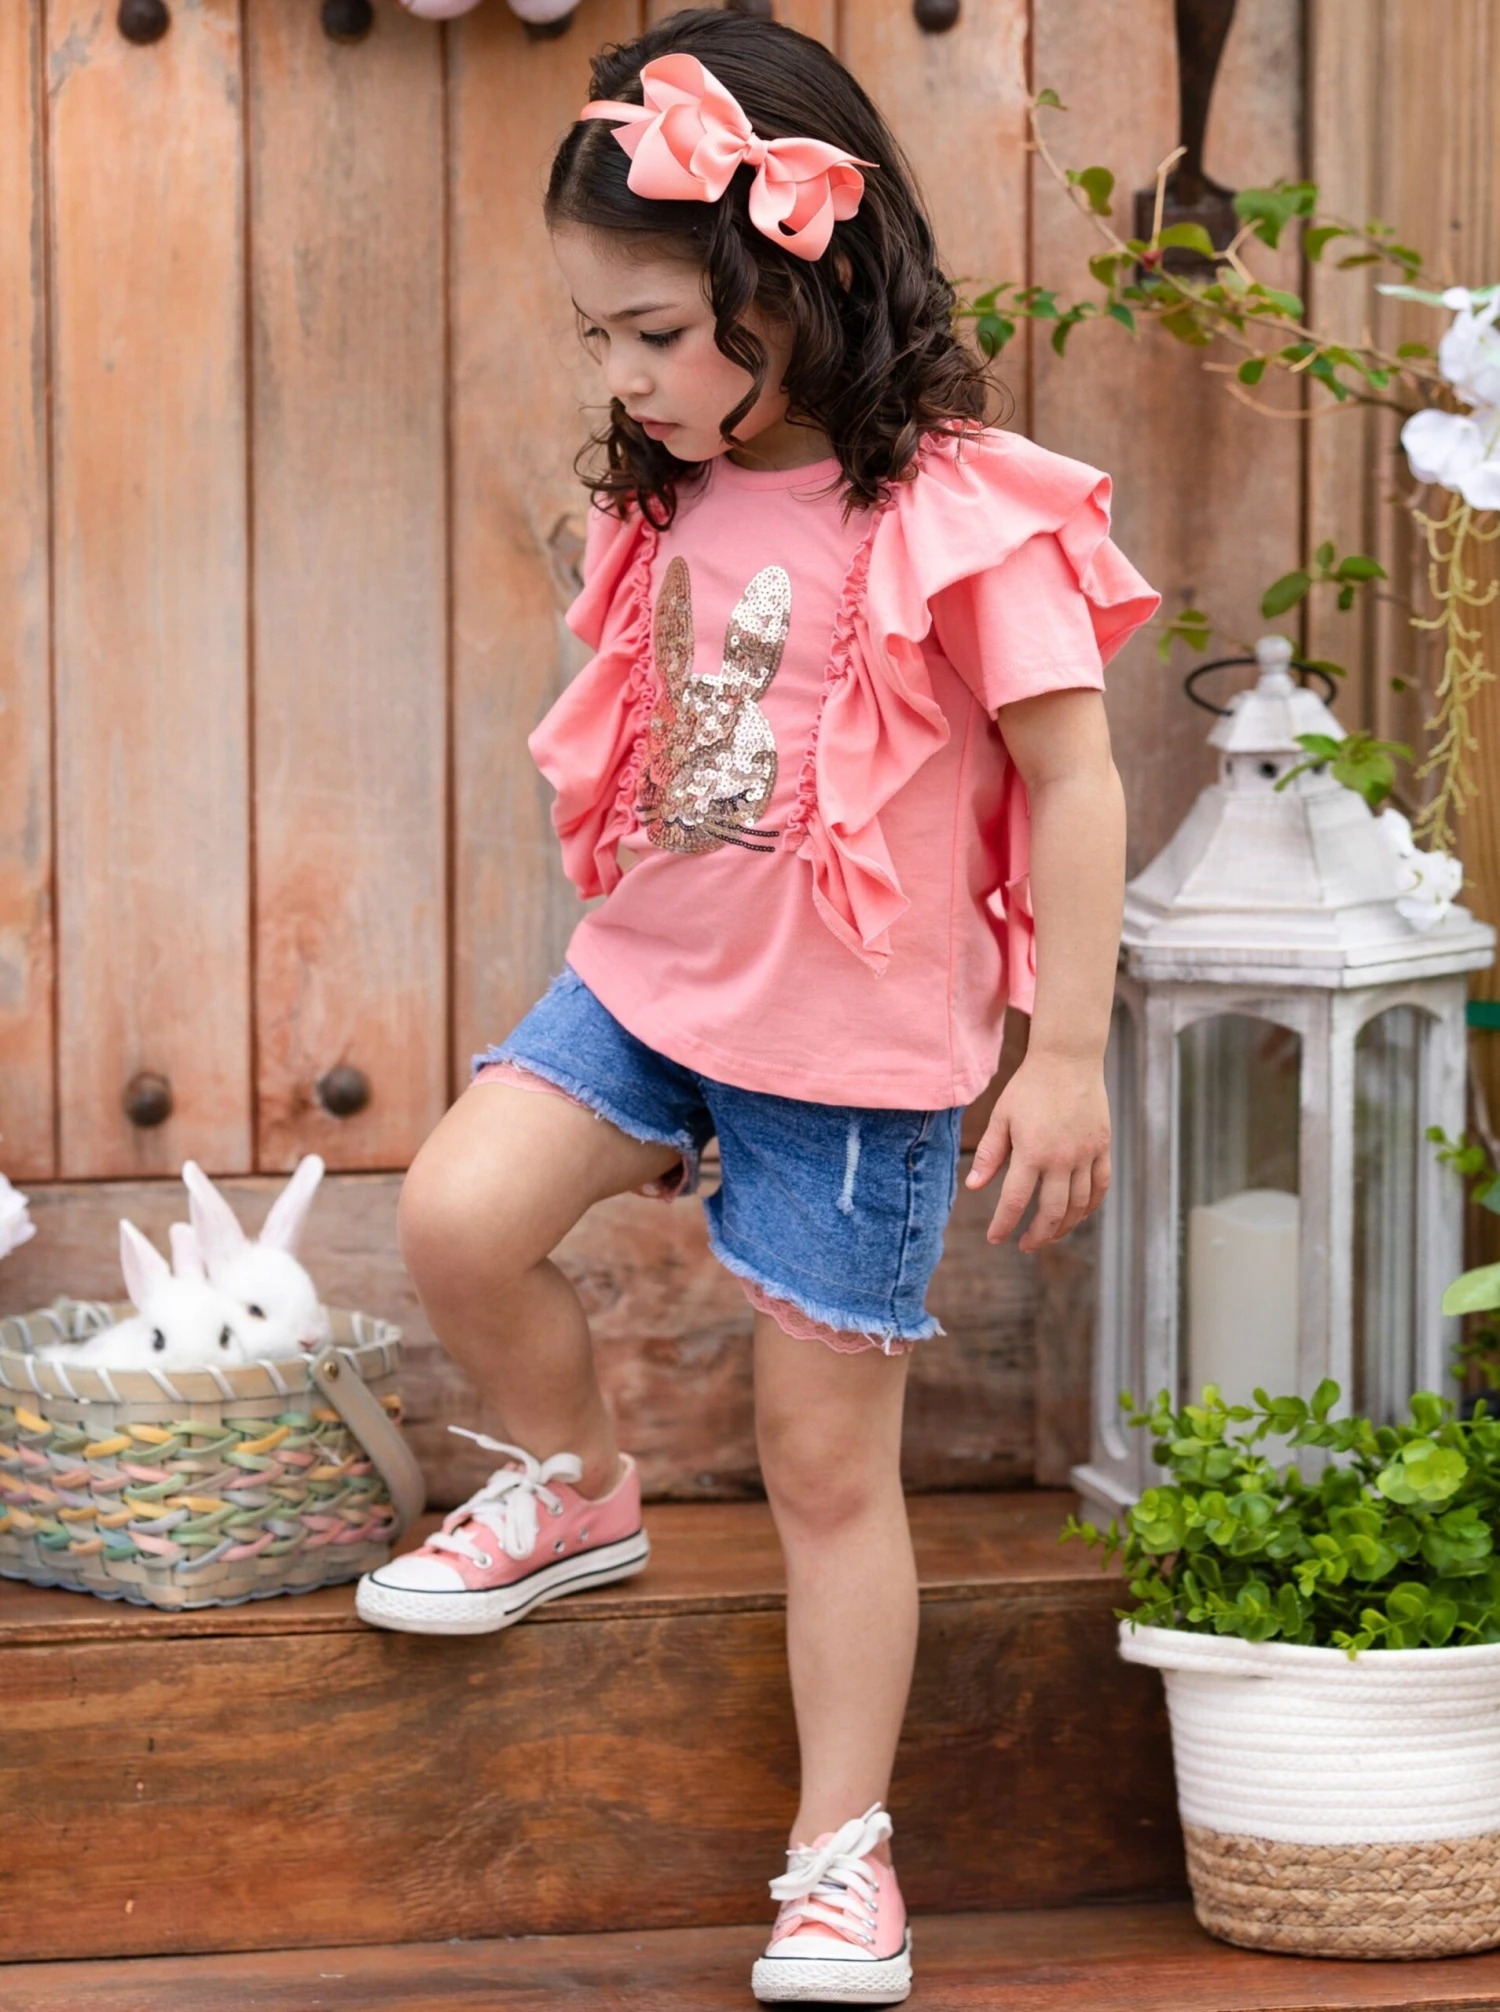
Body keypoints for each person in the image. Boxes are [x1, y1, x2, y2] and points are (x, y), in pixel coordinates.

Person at [357, 11, 1156, 2002]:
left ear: (792, 284)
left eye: (651, 331)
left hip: (854, 1059)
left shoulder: (961, 511)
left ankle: (839, 1857)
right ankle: (580, 1486)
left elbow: (1075, 779)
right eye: (598, 335)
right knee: (457, 1216)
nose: (621, 376)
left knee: (821, 1465)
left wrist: (1065, 1051)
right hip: (654, 984)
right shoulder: (675, 489)